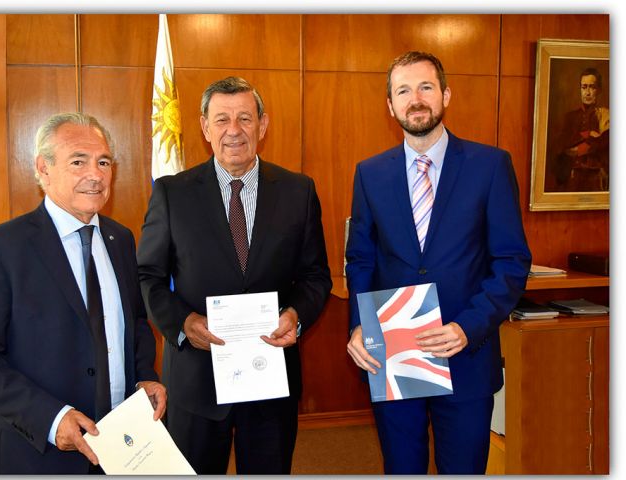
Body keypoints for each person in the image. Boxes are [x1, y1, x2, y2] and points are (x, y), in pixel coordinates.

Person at [345, 51, 531, 474]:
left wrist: (468, 327)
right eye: (403, 90)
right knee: (402, 468)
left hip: (466, 356)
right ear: (390, 105)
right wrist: (359, 324)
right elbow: (360, 259)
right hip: (393, 357)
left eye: (426, 87)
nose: (416, 99)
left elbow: (512, 261)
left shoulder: (490, 166)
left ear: (445, 94)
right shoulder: (370, 174)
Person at [137, 76, 331, 474]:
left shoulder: (298, 191)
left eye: (245, 117)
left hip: (271, 377)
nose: (234, 130)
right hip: (196, 380)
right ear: (205, 128)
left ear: (263, 125)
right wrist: (183, 323)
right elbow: (148, 276)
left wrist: (296, 315)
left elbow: (315, 277)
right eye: (221, 119)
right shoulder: (172, 194)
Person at [0, 112, 166, 474]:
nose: (95, 175)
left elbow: (136, 322)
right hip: (39, 451)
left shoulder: (120, 239)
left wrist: (144, 374)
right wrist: (52, 419)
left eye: (103, 162)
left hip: (121, 445)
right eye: (78, 161)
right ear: (43, 168)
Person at [551, 67, 609, 192]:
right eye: (584, 87)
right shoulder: (570, 117)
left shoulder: (605, 115)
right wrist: (588, 134)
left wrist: (579, 149)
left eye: (592, 87)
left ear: (599, 90)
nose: (587, 93)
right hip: (573, 176)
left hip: (598, 177)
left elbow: (606, 142)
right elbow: (562, 144)